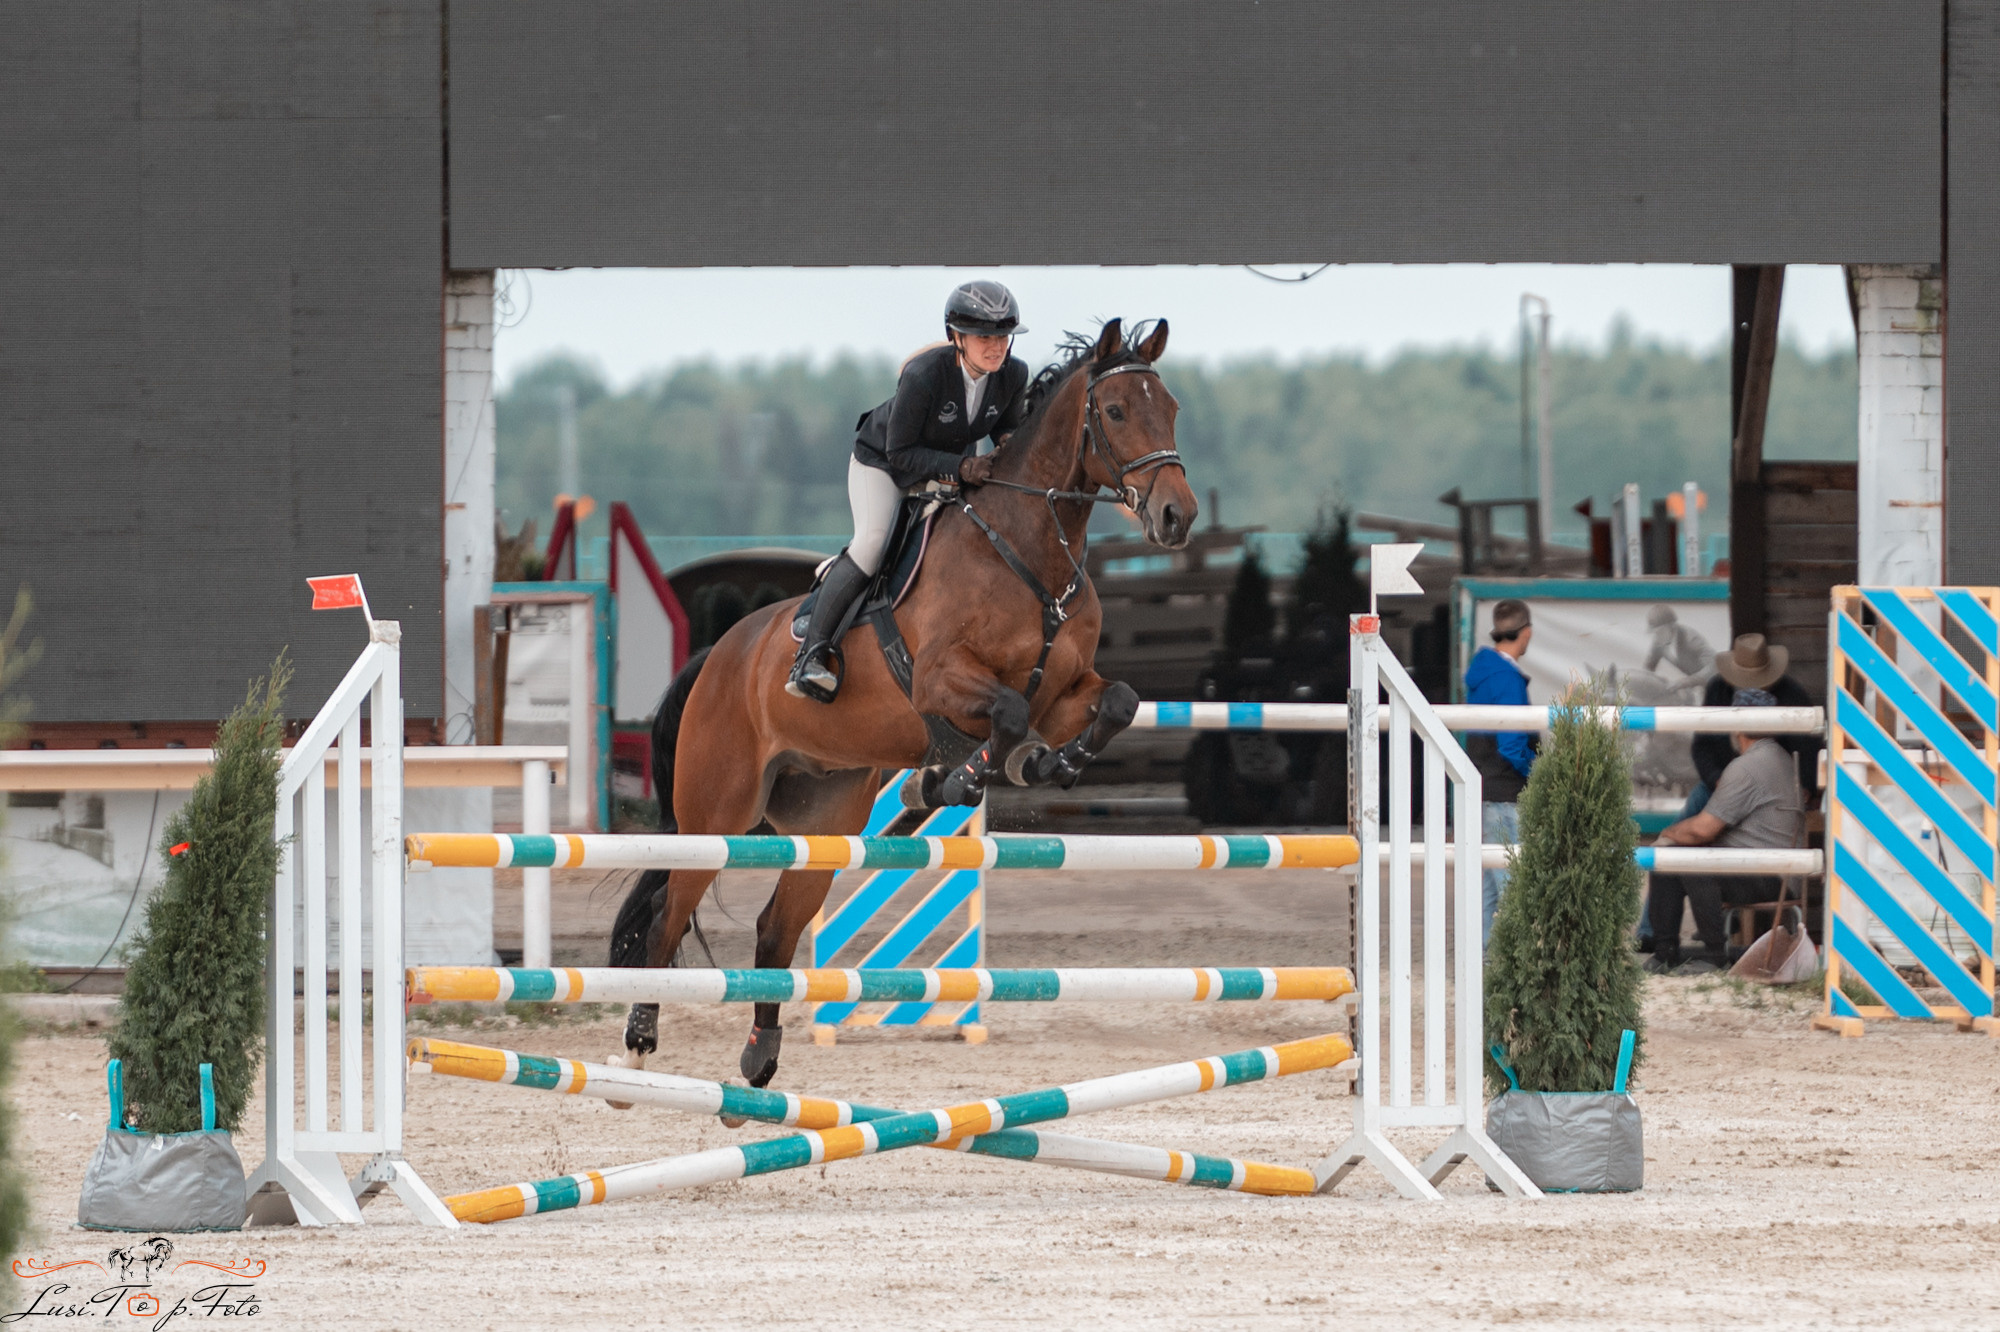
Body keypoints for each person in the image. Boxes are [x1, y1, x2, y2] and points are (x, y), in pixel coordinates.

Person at [786, 281, 1033, 701]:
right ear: (957, 337)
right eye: (985, 337)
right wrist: (962, 466)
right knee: (873, 544)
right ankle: (810, 655)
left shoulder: (1013, 373)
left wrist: (1014, 448)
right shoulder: (925, 375)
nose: (997, 347)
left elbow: (1004, 428)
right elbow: (900, 452)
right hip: (881, 463)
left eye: (1003, 336)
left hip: (947, 471)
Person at [1639, 632, 1820, 951]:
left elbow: (1807, 749)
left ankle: (1707, 944)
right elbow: (1702, 746)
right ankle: (1653, 932)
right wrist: (1718, 779)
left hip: (1758, 783)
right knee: (1680, 840)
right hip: (1724, 781)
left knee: (1684, 841)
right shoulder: (1717, 688)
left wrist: (1802, 786)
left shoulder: (1790, 695)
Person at [1643, 687, 1805, 973]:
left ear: (1737, 724)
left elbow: (1703, 830)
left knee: (1687, 859)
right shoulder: (1776, 757)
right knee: (1673, 860)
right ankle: (1666, 952)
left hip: (1767, 875)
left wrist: (1669, 833)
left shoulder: (1746, 767)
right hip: (1775, 872)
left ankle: (1712, 955)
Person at [1464, 598, 1536, 945]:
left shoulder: (1481, 673)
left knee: (1488, 885)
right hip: (1506, 791)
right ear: (1527, 633)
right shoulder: (1508, 679)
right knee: (1513, 884)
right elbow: (1511, 745)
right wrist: (1535, 772)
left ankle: (1485, 957)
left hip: (1480, 787)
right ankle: (1512, 961)